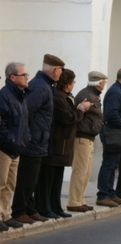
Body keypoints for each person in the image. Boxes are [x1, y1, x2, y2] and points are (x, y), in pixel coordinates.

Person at [12, 54, 64, 223]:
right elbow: (25, 112)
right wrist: (28, 136)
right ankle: (19, 211)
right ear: (55, 70)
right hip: (32, 141)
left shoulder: (44, 85)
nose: (61, 74)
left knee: (32, 179)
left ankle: (29, 208)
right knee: (27, 178)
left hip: (38, 140)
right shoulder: (41, 87)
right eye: (60, 71)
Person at [35, 69, 91, 218]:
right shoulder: (57, 97)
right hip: (56, 143)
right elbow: (66, 117)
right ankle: (45, 208)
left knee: (57, 179)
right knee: (47, 179)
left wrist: (77, 110)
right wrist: (79, 110)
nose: (73, 85)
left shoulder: (66, 96)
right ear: (67, 84)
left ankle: (55, 207)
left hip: (64, 144)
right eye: (73, 82)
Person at [67, 71, 107, 213]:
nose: (104, 85)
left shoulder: (93, 95)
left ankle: (80, 199)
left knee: (86, 171)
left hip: (89, 137)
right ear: (98, 83)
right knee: (80, 170)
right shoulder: (86, 95)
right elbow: (78, 115)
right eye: (103, 82)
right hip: (82, 137)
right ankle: (73, 201)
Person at [0, 62, 30, 230]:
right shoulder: (4, 96)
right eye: (24, 75)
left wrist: (25, 140)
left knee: (10, 184)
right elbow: (1, 125)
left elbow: (24, 123)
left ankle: (6, 214)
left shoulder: (21, 96)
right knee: (1, 183)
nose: (27, 78)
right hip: (4, 149)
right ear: (13, 77)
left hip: (16, 148)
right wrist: (11, 142)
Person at [96, 67, 121, 207]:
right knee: (108, 165)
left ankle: (111, 193)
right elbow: (111, 113)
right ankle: (103, 195)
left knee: (113, 165)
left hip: (117, 135)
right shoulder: (115, 92)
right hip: (113, 134)